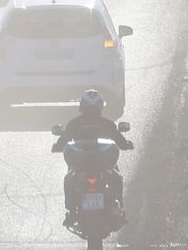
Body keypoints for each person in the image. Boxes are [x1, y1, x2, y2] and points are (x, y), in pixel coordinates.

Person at [52, 89, 133, 225]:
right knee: (70, 179)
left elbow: (118, 139)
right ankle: (73, 211)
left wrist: (57, 146)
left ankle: (115, 206)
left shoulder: (78, 123)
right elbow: (119, 139)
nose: (92, 111)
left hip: (100, 166)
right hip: (83, 167)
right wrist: (125, 144)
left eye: (93, 108)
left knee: (115, 176)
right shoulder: (104, 123)